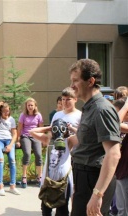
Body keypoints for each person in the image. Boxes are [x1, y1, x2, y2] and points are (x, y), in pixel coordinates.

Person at [69, 59, 121, 216]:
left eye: (75, 81)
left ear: (90, 81)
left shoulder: (101, 109)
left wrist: (97, 194)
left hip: (93, 179)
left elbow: (113, 153)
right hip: (83, 178)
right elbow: (87, 140)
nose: (71, 86)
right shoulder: (89, 107)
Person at [29, 120, 76, 216]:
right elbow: (32, 132)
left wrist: (70, 128)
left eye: (61, 129)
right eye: (56, 129)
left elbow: (82, 135)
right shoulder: (48, 140)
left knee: (62, 210)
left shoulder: (69, 141)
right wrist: (49, 128)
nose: (58, 131)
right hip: (49, 179)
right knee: (46, 208)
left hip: (64, 181)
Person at [0, 101, 20, 196]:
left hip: (9, 140)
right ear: (1, 111)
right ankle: (0, 185)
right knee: (0, 160)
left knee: (12, 160)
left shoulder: (11, 120)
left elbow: (14, 134)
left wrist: (10, 145)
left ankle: (12, 186)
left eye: (8, 111)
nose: (6, 113)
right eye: (4, 111)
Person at [17, 97, 44, 188]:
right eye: (28, 105)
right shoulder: (23, 115)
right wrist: (18, 139)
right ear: (26, 106)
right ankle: (24, 176)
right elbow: (20, 128)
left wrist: (42, 138)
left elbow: (41, 128)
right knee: (27, 154)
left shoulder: (38, 115)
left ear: (35, 106)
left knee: (39, 155)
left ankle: (39, 176)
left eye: (32, 105)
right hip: (26, 136)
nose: (30, 107)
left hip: (36, 136)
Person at [113, 97, 128, 216]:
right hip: (120, 172)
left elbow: (114, 123)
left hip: (126, 174)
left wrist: (126, 106)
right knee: (121, 211)